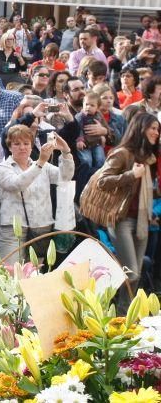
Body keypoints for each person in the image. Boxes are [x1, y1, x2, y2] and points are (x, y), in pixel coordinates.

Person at [88, 112, 159, 305]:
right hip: (121, 220)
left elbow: (146, 191)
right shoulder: (123, 153)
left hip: (142, 220)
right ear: (140, 128)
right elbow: (103, 181)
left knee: (133, 274)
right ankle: (113, 308)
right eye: (152, 128)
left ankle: (126, 314)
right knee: (132, 271)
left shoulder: (150, 158)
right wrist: (131, 174)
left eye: (158, 129)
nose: (156, 132)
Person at [0, 125, 74, 264]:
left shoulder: (44, 167)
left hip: (41, 228)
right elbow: (17, 184)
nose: (22, 147)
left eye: (26, 143)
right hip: (13, 230)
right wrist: (41, 162)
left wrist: (66, 151)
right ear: (9, 146)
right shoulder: (2, 168)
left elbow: (66, 176)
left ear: (32, 146)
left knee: (34, 277)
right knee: (12, 275)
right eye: (17, 144)